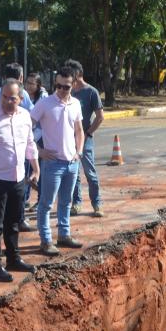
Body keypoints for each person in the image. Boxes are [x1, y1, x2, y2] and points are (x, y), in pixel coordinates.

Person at [0, 79, 40, 281]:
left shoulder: (25, 117)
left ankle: (13, 258)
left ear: (21, 99)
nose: (7, 101)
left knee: (14, 221)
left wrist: (36, 169)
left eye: (12, 98)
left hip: (18, 177)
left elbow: (30, 144)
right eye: (4, 96)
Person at [30, 66, 85, 256]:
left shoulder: (76, 104)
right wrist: (39, 150)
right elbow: (27, 128)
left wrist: (78, 152)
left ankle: (64, 235)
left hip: (72, 163)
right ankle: (46, 241)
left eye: (66, 87)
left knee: (66, 202)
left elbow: (79, 131)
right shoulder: (45, 104)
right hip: (52, 164)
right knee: (46, 204)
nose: (62, 90)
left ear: (74, 84)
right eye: (59, 86)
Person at [0, 63, 37, 232]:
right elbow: (32, 115)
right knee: (20, 183)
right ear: (21, 77)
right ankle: (19, 218)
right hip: (18, 147)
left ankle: (4, 217)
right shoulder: (21, 93)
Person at [63, 59, 105, 217]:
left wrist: (87, 133)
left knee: (90, 173)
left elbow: (100, 117)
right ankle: (77, 203)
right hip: (69, 140)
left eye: (70, 74)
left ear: (78, 74)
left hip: (85, 139)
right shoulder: (68, 91)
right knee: (74, 173)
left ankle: (97, 203)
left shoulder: (91, 92)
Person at [24, 73, 49, 211]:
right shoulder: (24, 97)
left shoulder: (44, 98)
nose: (29, 86)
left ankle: (41, 200)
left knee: (40, 171)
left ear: (38, 85)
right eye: (27, 82)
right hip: (28, 138)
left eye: (32, 83)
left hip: (41, 139)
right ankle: (25, 199)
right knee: (27, 169)